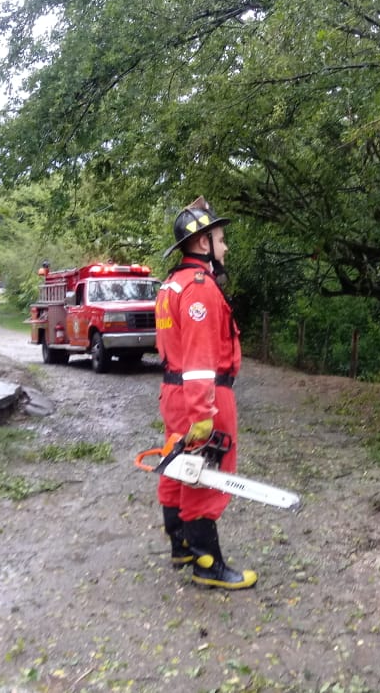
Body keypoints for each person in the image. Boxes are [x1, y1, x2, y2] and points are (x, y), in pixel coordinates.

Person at [154, 197, 256, 589]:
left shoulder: (172, 284)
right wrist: (203, 413)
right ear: (203, 245)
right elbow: (198, 359)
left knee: (178, 467)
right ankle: (207, 564)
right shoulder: (199, 289)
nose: (226, 247)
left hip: (174, 395)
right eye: (221, 238)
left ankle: (181, 545)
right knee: (203, 475)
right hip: (201, 395)